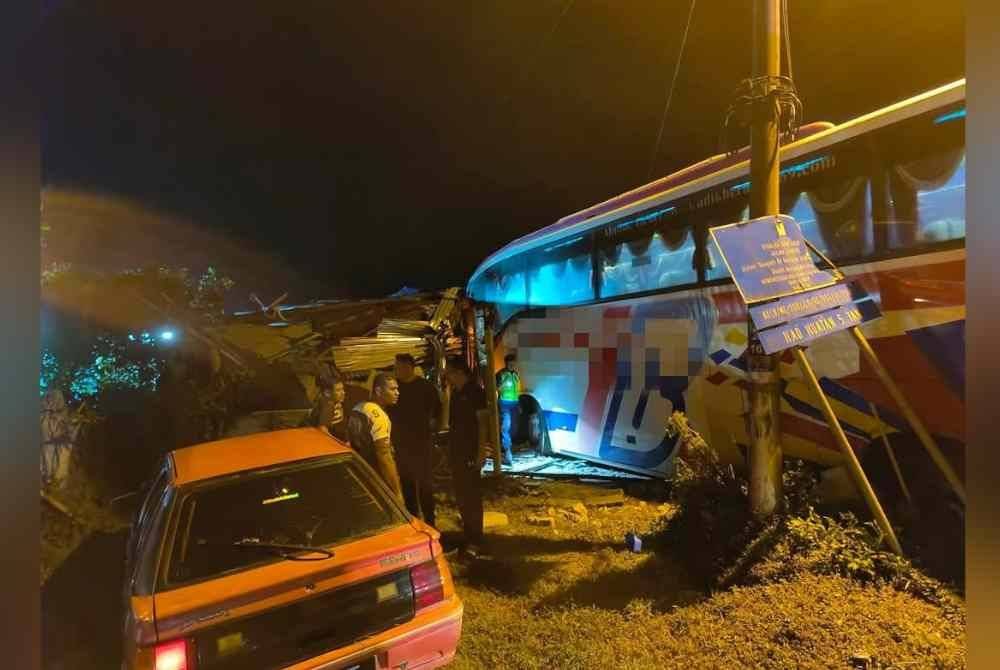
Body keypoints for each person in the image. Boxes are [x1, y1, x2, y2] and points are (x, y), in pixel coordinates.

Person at [390, 354, 442, 527]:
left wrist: (434, 428)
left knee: (425, 483)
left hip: (421, 442)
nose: (395, 370)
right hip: (401, 443)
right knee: (407, 482)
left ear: (408, 366)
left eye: (397, 367)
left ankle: (430, 521)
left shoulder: (425, 387)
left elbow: (438, 412)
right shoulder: (395, 388)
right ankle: (414, 521)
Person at [445, 359, 487, 554]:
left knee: (472, 496)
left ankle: (476, 540)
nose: (447, 376)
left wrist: (481, 453)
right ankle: (468, 535)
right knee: (462, 495)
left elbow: (483, 424)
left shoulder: (475, 392)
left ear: (459, 372)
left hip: (470, 452)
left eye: (450, 372)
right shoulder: (455, 393)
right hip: (457, 452)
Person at [347, 373, 404, 500]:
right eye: (392, 389)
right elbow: (384, 455)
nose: (397, 393)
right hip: (377, 480)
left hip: (360, 475)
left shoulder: (359, 407)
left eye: (397, 389)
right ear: (378, 391)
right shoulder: (379, 417)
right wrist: (397, 492)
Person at [495, 353, 520, 466]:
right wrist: (502, 385)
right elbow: (495, 388)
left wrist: (519, 404)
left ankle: (508, 450)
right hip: (504, 404)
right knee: (506, 428)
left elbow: (517, 389)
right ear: (506, 363)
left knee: (513, 428)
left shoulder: (515, 374)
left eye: (513, 363)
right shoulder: (501, 374)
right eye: (510, 363)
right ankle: (508, 453)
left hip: (514, 404)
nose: (512, 365)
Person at [307, 372, 348, 441]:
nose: (343, 393)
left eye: (342, 389)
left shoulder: (335, 402)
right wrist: (340, 443)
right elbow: (322, 430)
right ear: (327, 393)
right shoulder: (328, 405)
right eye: (338, 390)